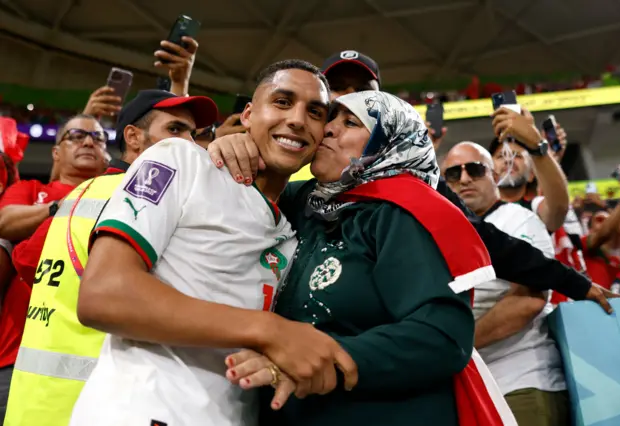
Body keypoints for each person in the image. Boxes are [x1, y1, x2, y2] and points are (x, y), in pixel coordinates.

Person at [209, 51, 616, 312]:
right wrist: (226, 146)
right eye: (337, 95)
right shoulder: (303, 174)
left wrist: (574, 283)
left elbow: (490, 244)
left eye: (362, 94)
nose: (348, 100)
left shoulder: (414, 196)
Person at [69, 60, 357, 426]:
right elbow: (104, 294)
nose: (298, 119)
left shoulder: (293, 224)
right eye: (282, 102)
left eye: (315, 111)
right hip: (141, 410)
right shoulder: (181, 159)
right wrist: (269, 330)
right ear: (249, 115)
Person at [222, 91, 515, 426]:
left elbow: (441, 335)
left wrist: (322, 358)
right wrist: (227, 147)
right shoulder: (308, 204)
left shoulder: (404, 213)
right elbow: (249, 190)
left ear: (389, 142)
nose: (327, 130)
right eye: (329, 118)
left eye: (350, 122)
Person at [3, 89, 218, 426]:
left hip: (34, 403)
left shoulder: (81, 194)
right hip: (99, 405)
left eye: (194, 135)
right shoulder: (149, 199)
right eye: (175, 132)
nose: (189, 145)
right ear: (133, 137)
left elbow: (28, 263)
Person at [442, 142, 568, 426]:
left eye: (474, 170)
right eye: (452, 174)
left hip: (521, 380)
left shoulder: (518, 219)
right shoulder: (446, 229)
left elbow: (528, 300)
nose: (464, 179)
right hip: (470, 385)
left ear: (494, 175)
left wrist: (458, 345)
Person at [0, 114, 107, 420]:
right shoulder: (33, 191)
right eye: (75, 135)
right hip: (17, 356)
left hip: (89, 358)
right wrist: (63, 206)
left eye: (97, 138)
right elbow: (4, 222)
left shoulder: (117, 196)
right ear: (56, 153)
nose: (88, 141)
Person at [488, 108, 569, 232]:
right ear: (490, 171)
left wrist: (536, 143)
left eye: (517, 156)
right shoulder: (478, 211)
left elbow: (558, 208)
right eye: (500, 156)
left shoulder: (536, 209)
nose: (509, 160)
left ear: (532, 174)